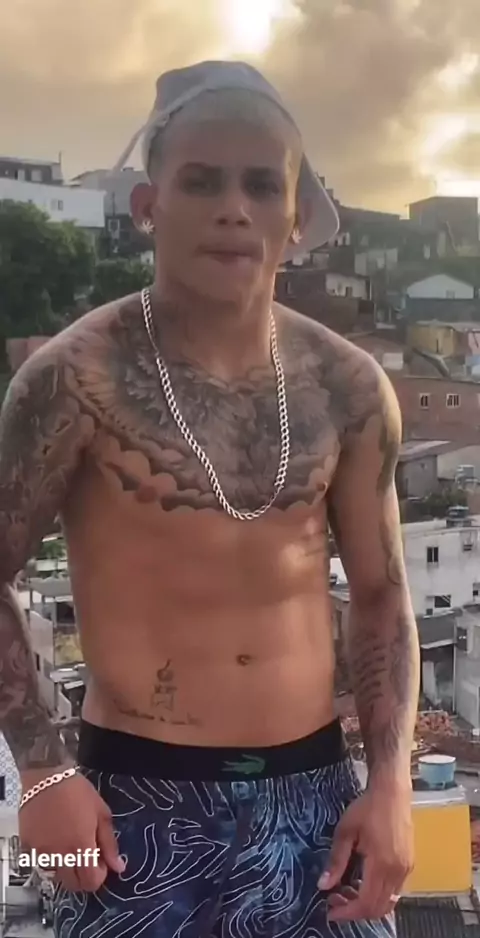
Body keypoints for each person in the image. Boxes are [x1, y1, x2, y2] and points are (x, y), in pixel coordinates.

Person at [0, 60, 420, 938]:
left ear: (296, 218)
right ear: (148, 206)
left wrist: (391, 786)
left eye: (261, 185)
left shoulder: (348, 388)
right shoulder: (73, 380)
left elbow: (382, 592)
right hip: (127, 806)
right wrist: (40, 773)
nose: (233, 208)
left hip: (316, 803)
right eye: (202, 181)